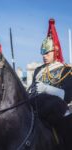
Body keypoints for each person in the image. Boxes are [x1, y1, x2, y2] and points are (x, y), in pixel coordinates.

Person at [28, 19, 72, 150]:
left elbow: (67, 96)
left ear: (56, 51)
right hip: (35, 109)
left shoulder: (66, 70)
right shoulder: (38, 70)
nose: (44, 56)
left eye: (47, 52)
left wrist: (46, 89)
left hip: (58, 112)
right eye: (43, 53)